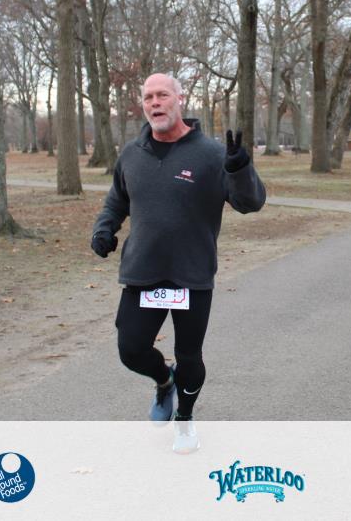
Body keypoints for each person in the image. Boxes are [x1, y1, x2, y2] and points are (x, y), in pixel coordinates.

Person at [90, 73, 266, 453]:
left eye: (163, 95)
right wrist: (104, 229)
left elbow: (250, 203)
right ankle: (164, 381)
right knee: (131, 349)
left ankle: (185, 419)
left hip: (191, 275)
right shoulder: (132, 154)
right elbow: (117, 201)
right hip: (144, 271)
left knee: (189, 357)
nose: (155, 102)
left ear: (180, 99)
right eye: (148, 97)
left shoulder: (212, 154)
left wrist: (239, 169)